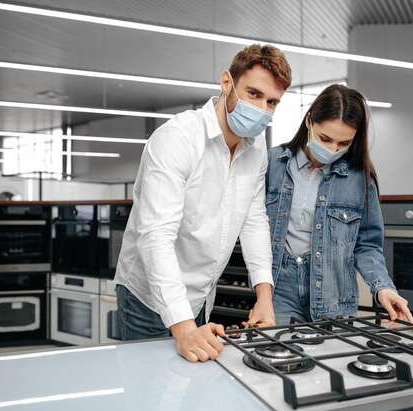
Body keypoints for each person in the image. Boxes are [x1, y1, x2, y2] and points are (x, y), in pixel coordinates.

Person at [114, 44, 292, 362]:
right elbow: (155, 237)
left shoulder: (257, 149)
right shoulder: (176, 139)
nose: (262, 109)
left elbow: (254, 219)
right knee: (149, 397)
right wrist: (183, 328)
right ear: (227, 82)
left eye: (272, 102)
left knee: (188, 395)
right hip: (148, 298)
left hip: (198, 296)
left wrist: (264, 295)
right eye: (253, 93)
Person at [265, 84, 413, 326]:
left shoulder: (360, 179)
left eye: (343, 143)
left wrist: (383, 288)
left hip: (335, 297)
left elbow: (367, 245)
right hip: (280, 289)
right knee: (283, 361)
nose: (332, 149)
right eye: (325, 138)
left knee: (333, 361)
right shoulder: (272, 163)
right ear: (309, 121)